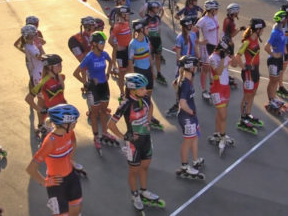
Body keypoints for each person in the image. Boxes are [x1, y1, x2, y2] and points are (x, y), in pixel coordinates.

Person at [108, 73, 164, 213]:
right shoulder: (125, 104)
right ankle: (134, 195)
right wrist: (124, 137)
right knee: (134, 171)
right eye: (142, 88)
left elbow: (150, 106)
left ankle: (143, 191)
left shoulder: (144, 98)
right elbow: (111, 125)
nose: (146, 91)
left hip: (146, 139)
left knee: (144, 167)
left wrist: (148, 121)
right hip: (133, 144)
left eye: (145, 88)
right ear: (133, 90)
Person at [26, 104, 82, 216]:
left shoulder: (69, 132)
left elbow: (73, 143)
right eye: (74, 121)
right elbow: (31, 169)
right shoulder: (50, 142)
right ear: (65, 123)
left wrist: (70, 160)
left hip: (71, 178)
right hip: (57, 184)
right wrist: (45, 182)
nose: (76, 123)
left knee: (76, 211)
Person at [73, 31, 118, 156]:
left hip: (104, 86)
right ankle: (96, 137)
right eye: (101, 42)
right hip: (94, 88)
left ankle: (105, 132)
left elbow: (111, 61)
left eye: (104, 42)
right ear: (94, 44)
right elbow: (76, 73)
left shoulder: (104, 54)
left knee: (104, 111)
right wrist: (87, 83)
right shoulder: (89, 57)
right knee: (94, 114)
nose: (103, 45)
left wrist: (108, 73)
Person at [128, 19, 163, 129]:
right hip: (139, 72)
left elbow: (149, 56)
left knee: (148, 97)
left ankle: (148, 116)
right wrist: (133, 77)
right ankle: (141, 117)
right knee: (141, 98)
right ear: (141, 29)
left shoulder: (147, 39)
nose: (149, 29)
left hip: (147, 71)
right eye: (147, 28)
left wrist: (152, 71)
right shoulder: (133, 44)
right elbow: (130, 61)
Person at [175, 56, 205, 178]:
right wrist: (191, 112)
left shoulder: (185, 80)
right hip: (187, 116)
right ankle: (184, 166)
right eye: (196, 66)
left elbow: (175, 86)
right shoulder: (186, 83)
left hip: (190, 115)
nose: (197, 68)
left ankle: (195, 160)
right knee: (188, 141)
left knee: (195, 137)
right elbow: (182, 103)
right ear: (191, 67)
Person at [235, 18, 266, 130]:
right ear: (257, 29)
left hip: (255, 71)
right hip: (249, 73)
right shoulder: (247, 42)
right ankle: (243, 118)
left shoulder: (256, 38)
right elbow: (237, 56)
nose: (263, 31)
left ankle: (248, 114)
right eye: (262, 29)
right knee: (247, 96)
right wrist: (244, 67)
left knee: (252, 94)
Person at [166, 15, 200, 117]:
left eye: (191, 24)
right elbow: (178, 55)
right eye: (189, 24)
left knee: (188, 85)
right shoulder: (179, 38)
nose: (191, 25)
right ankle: (180, 103)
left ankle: (183, 103)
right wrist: (184, 66)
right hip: (183, 66)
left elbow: (196, 48)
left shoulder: (193, 35)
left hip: (191, 65)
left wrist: (198, 59)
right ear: (185, 26)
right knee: (177, 84)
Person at [208, 37, 235, 150]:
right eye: (227, 51)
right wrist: (223, 59)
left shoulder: (225, 56)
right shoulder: (212, 58)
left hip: (225, 87)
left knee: (221, 113)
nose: (228, 53)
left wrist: (234, 56)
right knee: (223, 115)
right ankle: (222, 136)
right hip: (217, 88)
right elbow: (218, 72)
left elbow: (234, 64)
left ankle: (217, 133)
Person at [196, 0, 220, 100]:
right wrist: (199, 42)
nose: (218, 10)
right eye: (216, 9)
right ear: (211, 10)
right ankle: (204, 90)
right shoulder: (203, 20)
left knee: (213, 68)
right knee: (205, 70)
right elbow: (193, 31)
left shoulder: (215, 17)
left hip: (214, 47)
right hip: (206, 47)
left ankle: (212, 87)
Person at [264, 11, 288, 110]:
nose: (287, 20)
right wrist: (274, 54)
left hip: (279, 59)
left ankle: (274, 98)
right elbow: (266, 47)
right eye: (285, 18)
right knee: (272, 81)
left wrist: (285, 53)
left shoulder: (281, 30)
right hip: (273, 60)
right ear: (282, 20)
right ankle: (271, 100)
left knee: (276, 80)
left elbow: (283, 44)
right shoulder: (275, 32)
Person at [109, 5, 132, 101]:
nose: (129, 16)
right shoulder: (117, 27)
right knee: (122, 74)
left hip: (128, 51)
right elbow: (110, 40)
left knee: (130, 70)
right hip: (121, 53)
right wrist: (117, 47)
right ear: (122, 14)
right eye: (127, 14)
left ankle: (129, 91)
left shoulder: (127, 23)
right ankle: (122, 93)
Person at [222, 3, 246, 87]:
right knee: (233, 63)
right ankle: (243, 66)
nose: (238, 13)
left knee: (226, 59)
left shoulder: (226, 19)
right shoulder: (231, 23)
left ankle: (225, 73)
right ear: (234, 12)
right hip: (228, 43)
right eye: (237, 12)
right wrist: (239, 29)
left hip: (225, 40)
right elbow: (232, 34)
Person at [144, 0, 167, 85]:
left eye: (158, 7)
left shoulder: (157, 17)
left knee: (158, 57)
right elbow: (144, 31)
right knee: (151, 60)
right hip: (150, 41)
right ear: (151, 8)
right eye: (156, 7)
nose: (158, 9)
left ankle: (159, 73)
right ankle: (151, 73)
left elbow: (159, 27)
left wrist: (159, 36)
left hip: (158, 40)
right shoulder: (146, 19)